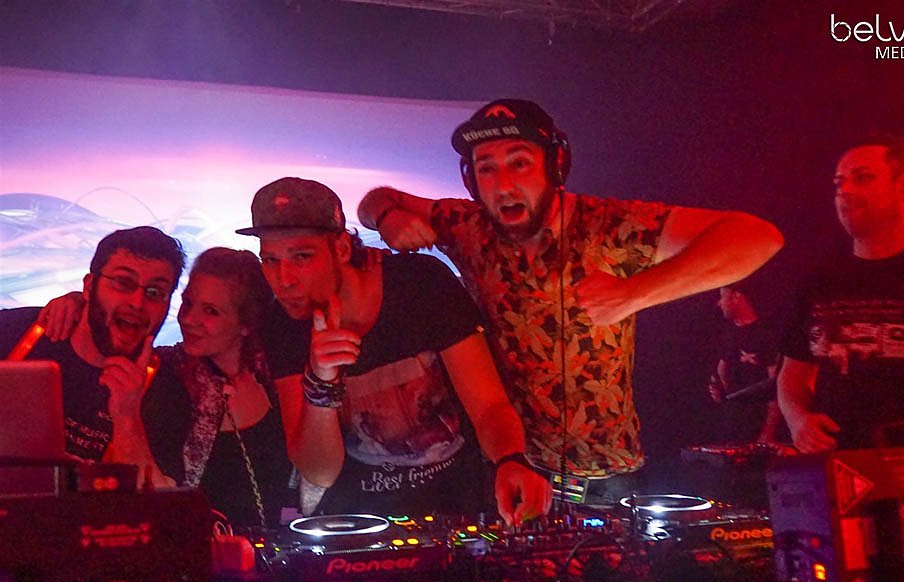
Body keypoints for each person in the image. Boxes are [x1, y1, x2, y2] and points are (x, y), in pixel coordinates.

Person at [357, 99, 783, 504]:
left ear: (555, 164)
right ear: (471, 180)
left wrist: (634, 293)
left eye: (519, 162)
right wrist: (387, 216)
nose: (503, 184)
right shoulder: (467, 226)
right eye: (487, 168)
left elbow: (757, 238)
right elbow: (374, 200)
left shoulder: (609, 226)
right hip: (509, 464)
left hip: (605, 477)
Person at [238, 177, 552, 524]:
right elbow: (319, 472)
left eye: (301, 257)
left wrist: (510, 460)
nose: (284, 279)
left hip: (460, 510)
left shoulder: (420, 284)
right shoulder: (282, 325)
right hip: (360, 526)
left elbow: (489, 406)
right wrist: (320, 385)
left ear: (341, 249)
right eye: (270, 260)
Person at [33, 248, 295, 527]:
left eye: (211, 311)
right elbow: (149, 494)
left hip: (277, 544)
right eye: (187, 303)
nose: (189, 319)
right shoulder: (163, 373)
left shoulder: (278, 371)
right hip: (192, 540)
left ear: (246, 323)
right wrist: (78, 302)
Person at [777, 134, 904, 453]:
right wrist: (798, 419)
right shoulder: (820, 280)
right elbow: (792, 375)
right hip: (837, 462)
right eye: (839, 183)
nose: (844, 191)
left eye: (863, 178)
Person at [0, 226, 186, 484]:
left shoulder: (166, 395)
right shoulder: (16, 331)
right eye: (123, 283)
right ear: (89, 286)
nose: (137, 303)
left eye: (155, 292)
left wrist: (127, 417)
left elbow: (156, 503)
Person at [708, 283, 783, 444]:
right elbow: (722, 370)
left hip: (756, 424)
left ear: (737, 296)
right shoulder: (727, 332)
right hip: (731, 424)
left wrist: (768, 432)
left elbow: (776, 387)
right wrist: (719, 391)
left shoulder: (765, 335)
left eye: (723, 296)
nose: (719, 303)